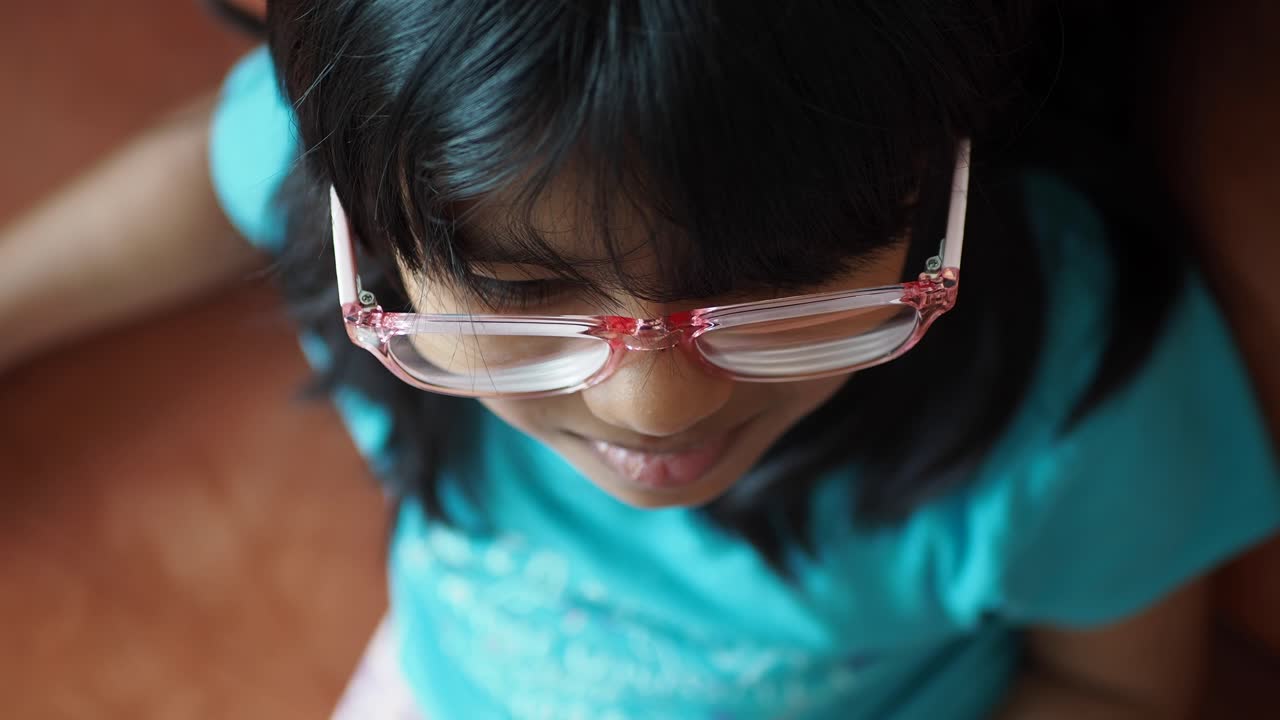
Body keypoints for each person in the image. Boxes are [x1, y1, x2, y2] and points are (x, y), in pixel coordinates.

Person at [1, 1, 1277, 718]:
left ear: (931, 189)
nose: (653, 406)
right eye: (520, 293)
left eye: (781, 280)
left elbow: (1113, 691)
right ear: (362, 236)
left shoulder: (1076, 392)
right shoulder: (370, 163)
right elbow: (204, 168)